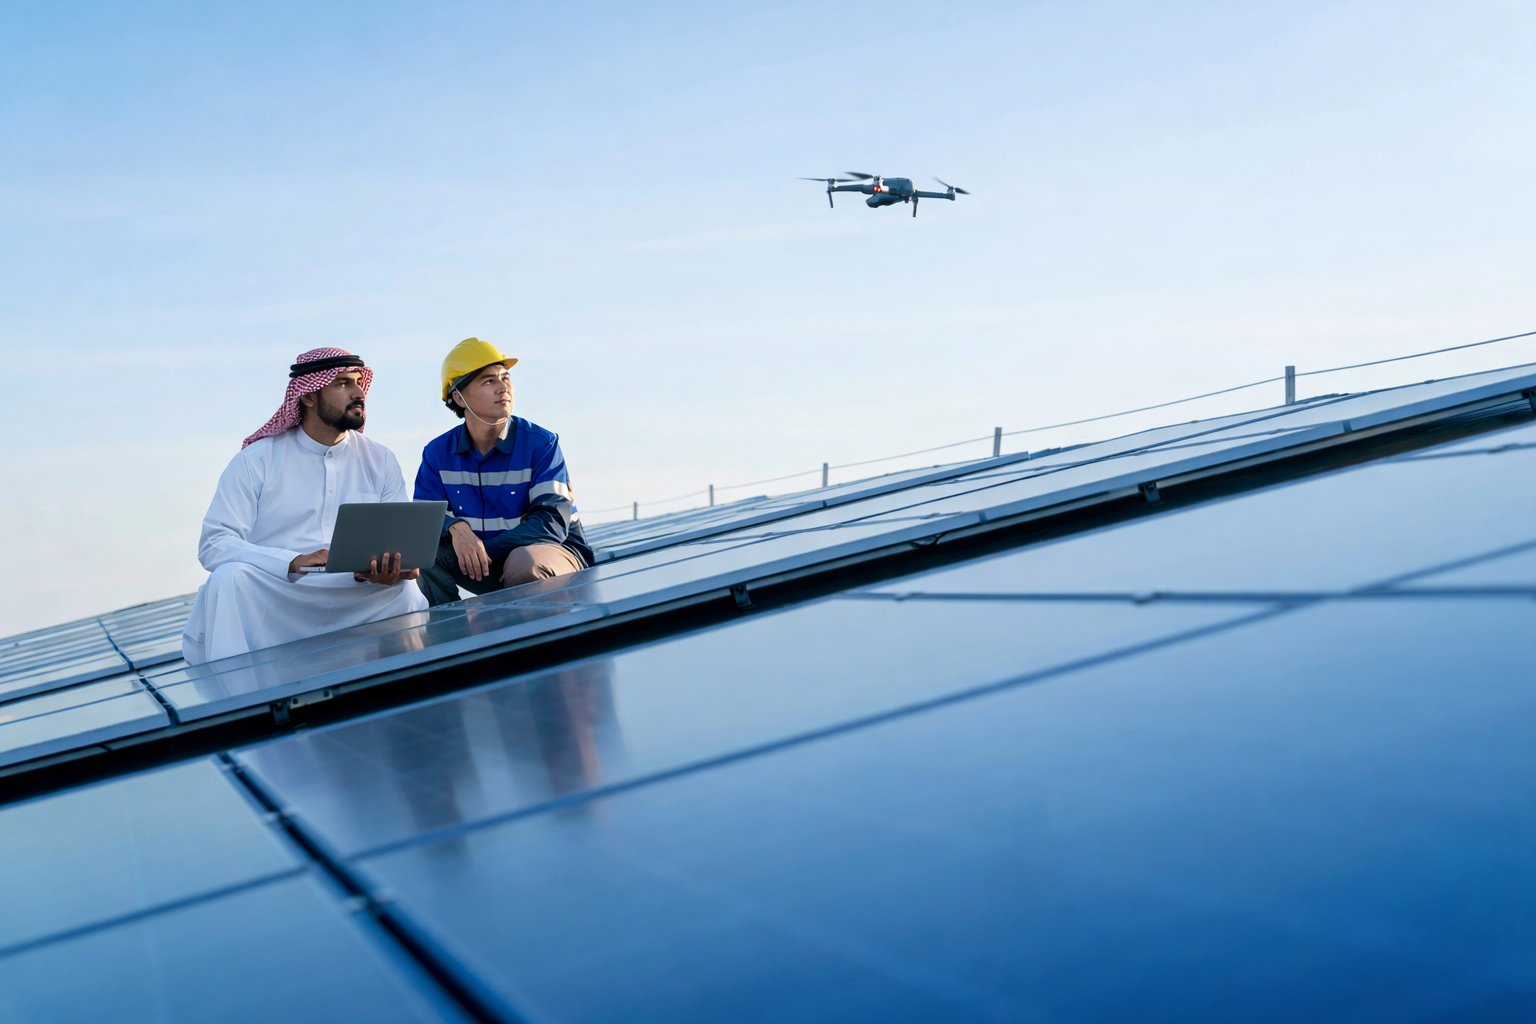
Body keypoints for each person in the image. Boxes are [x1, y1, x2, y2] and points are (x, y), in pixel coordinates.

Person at [180, 347, 429, 665]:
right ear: (308, 396)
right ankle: (241, 703)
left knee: (405, 594)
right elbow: (214, 544)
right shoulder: (256, 461)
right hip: (280, 592)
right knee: (229, 579)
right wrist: (294, 561)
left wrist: (394, 570)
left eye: (358, 382)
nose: (357, 392)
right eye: (341, 383)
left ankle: (411, 692)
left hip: (352, 589)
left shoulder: (381, 459)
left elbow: (400, 545)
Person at [414, 337, 594, 606]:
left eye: (505, 377)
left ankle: (541, 643)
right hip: (485, 564)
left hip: (550, 555)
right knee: (419, 555)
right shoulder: (437, 453)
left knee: (523, 564)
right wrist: (456, 528)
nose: (503, 388)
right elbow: (423, 520)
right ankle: (449, 634)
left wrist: (483, 550)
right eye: (489, 381)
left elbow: (552, 523)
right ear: (458, 397)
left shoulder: (541, 443)